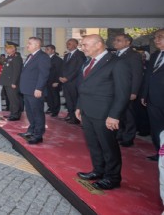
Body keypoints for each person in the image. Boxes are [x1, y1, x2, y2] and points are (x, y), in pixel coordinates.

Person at [75, 34, 130, 190]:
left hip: (105, 114)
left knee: (108, 147)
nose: (82, 48)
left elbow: (123, 93)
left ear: (98, 45)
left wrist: (114, 115)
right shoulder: (88, 62)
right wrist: (79, 106)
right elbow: (84, 86)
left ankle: (112, 178)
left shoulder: (117, 63)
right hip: (87, 111)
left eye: (85, 44)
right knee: (93, 145)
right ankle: (98, 171)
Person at [18, 37, 51, 145]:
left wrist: (39, 88)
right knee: (30, 112)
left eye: (29, 43)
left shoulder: (42, 57)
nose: (27, 45)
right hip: (27, 89)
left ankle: (38, 135)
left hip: (35, 90)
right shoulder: (30, 56)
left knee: (37, 113)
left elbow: (44, 74)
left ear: (37, 45)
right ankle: (31, 130)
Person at [113, 34, 143, 147]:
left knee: (129, 115)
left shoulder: (133, 55)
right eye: (115, 40)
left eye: (118, 40)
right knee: (119, 113)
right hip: (117, 89)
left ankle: (128, 138)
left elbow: (137, 74)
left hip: (128, 90)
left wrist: (134, 91)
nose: (115, 42)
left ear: (127, 42)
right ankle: (120, 134)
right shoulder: (115, 54)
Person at [142, 29, 164, 161]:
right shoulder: (155, 55)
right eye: (155, 37)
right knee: (156, 127)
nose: (156, 40)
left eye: (160, 37)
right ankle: (160, 152)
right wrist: (145, 94)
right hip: (153, 99)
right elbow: (148, 77)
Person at [60, 38, 86, 124]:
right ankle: (72, 117)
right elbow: (63, 68)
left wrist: (68, 78)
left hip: (74, 82)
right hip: (65, 82)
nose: (67, 45)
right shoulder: (67, 55)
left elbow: (78, 69)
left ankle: (77, 118)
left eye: (70, 44)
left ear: (76, 45)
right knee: (69, 101)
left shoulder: (80, 54)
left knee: (75, 100)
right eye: (67, 44)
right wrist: (61, 77)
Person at [0, 41, 23, 121]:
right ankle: (12, 113)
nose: (6, 49)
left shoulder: (16, 58)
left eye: (7, 48)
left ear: (13, 49)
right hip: (7, 82)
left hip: (12, 83)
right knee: (10, 99)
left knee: (14, 99)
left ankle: (15, 115)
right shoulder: (9, 57)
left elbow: (17, 71)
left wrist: (14, 82)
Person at [44, 45, 64, 117]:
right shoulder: (46, 58)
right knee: (49, 97)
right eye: (45, 49)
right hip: (47, 81)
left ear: (53, 50)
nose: (46, 51)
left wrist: (57, 82)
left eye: (48, 49)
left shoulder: (57, 60)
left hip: (54, 82)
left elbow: (59, 71)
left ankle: (55, 111)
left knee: (55, 97)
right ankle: (51, 108)